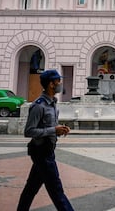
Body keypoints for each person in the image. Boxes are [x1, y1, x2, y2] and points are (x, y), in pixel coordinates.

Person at [17, 69, 74, 211]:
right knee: (56, 190)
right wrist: (54, 130)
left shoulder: (53, 103)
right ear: (51, 84)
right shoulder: (39, 106)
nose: (60, 83)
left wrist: (59, 130)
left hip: (47, 150)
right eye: (58, 81)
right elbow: (29, 131)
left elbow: (48, 128)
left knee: (31, 187)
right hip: (41, 153)